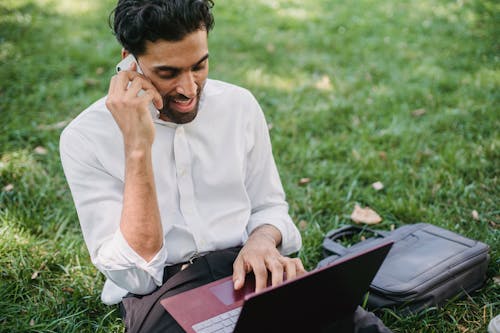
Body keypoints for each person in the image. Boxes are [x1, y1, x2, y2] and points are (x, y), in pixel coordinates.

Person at [59, 1, 392, 332]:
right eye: (168, 72)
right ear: (129, 63)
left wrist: (262, 240)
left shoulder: (239, 106)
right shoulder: (85, 138)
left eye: (199, 66)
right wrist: (137, 147)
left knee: (350, 324)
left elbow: (269, 207)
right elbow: (136, 274)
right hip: (163, 289)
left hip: (248, 267)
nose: (189, 89)